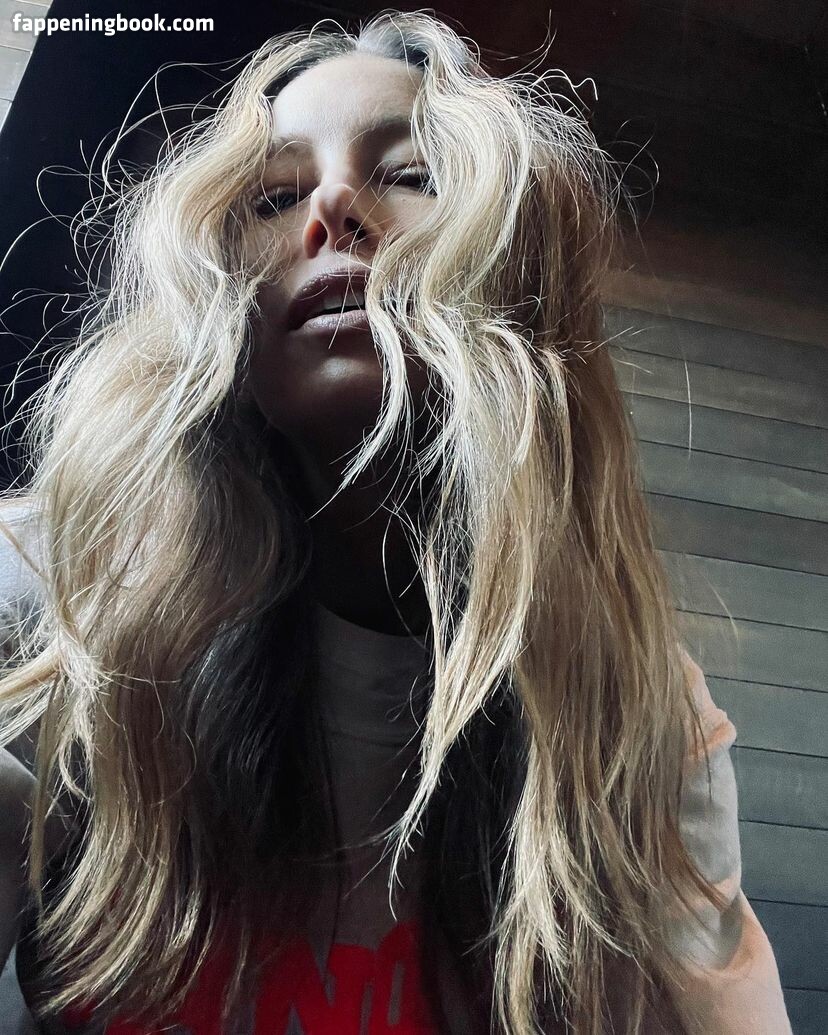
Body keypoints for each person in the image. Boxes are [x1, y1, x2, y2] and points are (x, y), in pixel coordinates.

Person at [0, 10, 793, 1035]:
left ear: (516, 280)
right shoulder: (54, 597)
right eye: (274, 196)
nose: (331, 206)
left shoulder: (638, 710)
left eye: (411, 176)